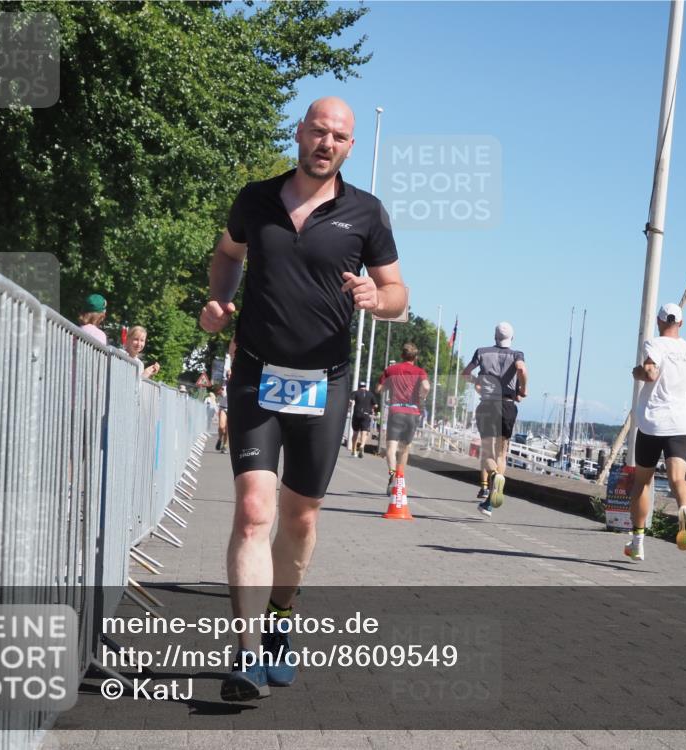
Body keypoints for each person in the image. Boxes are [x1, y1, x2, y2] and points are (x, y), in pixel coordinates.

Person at [199, 97, 406, 702]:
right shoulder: (255, 199)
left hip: (326, 379)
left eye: (339, 136)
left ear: (349, 147)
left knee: (300, 517)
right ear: (300, 132)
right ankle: (245, 655)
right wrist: (218, 302)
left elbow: (398, 291)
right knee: (254, 511)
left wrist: (377, 297)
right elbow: (227, 254)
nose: (327, 143)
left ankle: (281, 621)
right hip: (256, 373)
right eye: (319, 131)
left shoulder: (365, 213)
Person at [624, 302, 686, 562]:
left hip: (653, 424)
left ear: (659, 322)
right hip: (680, 424)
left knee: (642, 482)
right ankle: (684, 509)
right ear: (681, 324)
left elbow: (650, 372)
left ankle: (637, 542)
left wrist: (637, 372)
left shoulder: (655, 344)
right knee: (678, 480)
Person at [463, 322, 528, 517]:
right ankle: (490, 502)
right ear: (512, 338)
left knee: (487, 453)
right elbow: (521, 370)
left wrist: (478, 382)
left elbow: (466, 373)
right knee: (502, 453)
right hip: (507, 405)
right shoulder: (517, 354)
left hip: (488, 404)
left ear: (494, 336)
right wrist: (522, 389)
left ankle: (495, 476)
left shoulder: (481, 352)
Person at [376, 343, 430, 493]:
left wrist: (387, 387)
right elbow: (426, 387)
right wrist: (422, 397)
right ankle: (400, 479)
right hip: (413, 413)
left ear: (402, 355)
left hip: (396, 410)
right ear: (416, 357)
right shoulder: (419, 371)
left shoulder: (391, 370)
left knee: (391, 449)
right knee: (404, 449)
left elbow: (379, 389)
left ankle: (392, 476)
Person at [349, 381, 377, 458]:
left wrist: (350, 405)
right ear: (365, 386)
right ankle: (362, 446)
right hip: (366, 415)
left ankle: (354, 450)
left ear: (359, 386)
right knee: (364, 433)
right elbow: (376, 405)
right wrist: (371, 408)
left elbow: (350, 401)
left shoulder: (355, 392)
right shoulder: (370, 394)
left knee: (355, 433)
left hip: (357, 414)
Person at [211, 384, 229, 453]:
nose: (218, 394)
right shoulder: (219, 393)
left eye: (218, 392)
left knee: (227, 429)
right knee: (221, 427)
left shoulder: (227, 389)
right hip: (223, 409)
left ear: (221, 389)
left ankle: (224, 446)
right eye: (217, 393)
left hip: (231, 409)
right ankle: (220, 439)